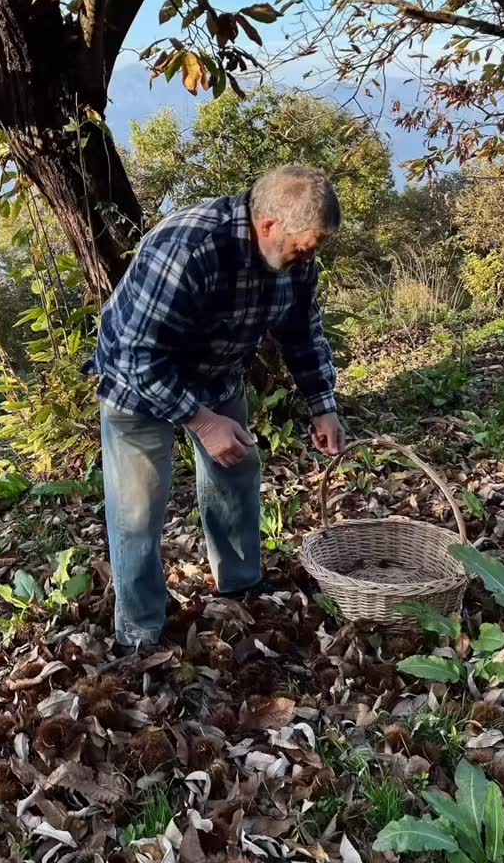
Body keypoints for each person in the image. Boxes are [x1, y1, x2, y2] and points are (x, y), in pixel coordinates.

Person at [85, 164, 346, 651]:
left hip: (217, 375)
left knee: (236, 472)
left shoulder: (295, 260)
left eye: (315, 248)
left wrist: (322, 405)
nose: (309, 258)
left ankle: (241, 583)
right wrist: (203, 423)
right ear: (269, 225)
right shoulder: (188, 248)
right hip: (137, 385)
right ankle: (140, 632)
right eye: (304, 247)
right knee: (137, 510)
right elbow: (135, 357)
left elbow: (302, 331)